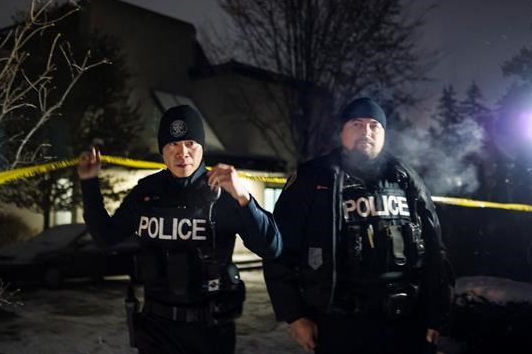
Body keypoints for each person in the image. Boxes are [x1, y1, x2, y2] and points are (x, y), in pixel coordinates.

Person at [78, 104, 282, 354]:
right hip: (156, 329)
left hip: (209, 332)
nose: (182, 152)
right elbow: (105, 237)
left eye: (189, 143)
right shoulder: (147, 192)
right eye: (172, 144)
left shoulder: (224, 190)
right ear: (162, 150)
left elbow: (272, 247)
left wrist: (243, 197)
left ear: (201, 147)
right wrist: (89, 184)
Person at [263, 97, 453, 354]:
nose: (366, 131)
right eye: (357, 124)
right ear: (342, 131)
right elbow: (278, 249)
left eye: (374, 125)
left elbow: (434, 250)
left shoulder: (405, 178)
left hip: (406, 322)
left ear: (383, 134)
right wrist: (294, 315)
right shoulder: (314, 177)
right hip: (341, 324)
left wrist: (436, 314)